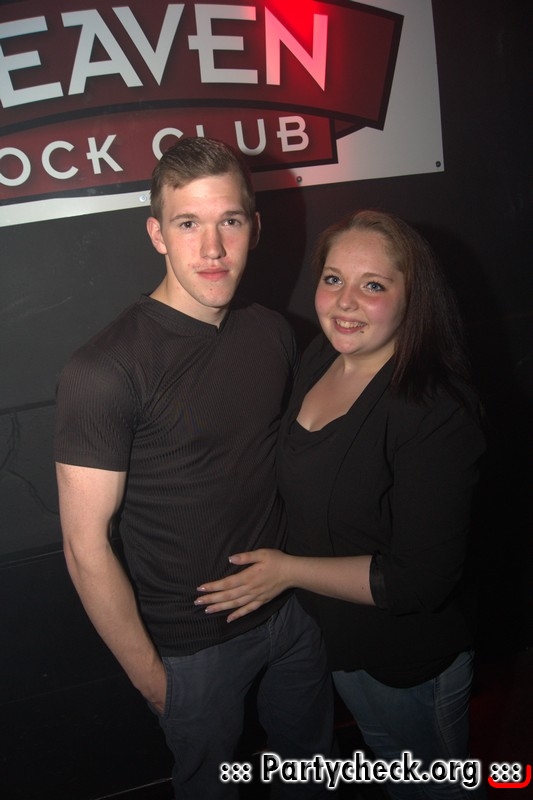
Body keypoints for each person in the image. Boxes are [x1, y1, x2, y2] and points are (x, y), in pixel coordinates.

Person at [54, 136, 333, 800]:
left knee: (311, 776)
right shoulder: (103, 370)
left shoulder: (271, 332)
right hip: (192, 649)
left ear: (254, 228)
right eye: (188, 224)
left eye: (229, 221)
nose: (212, 248)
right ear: (157, 234)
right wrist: (155, 682)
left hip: (292, 615)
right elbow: (84, 546)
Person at [195, 210, 487, 799]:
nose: (346, 302)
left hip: (406, 664)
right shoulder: (320, 359)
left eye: (372, 285)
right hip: (340, 646)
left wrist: (286, 571)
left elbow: (419, 581)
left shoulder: (434, 410)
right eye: (333, 279)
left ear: (413, 298)